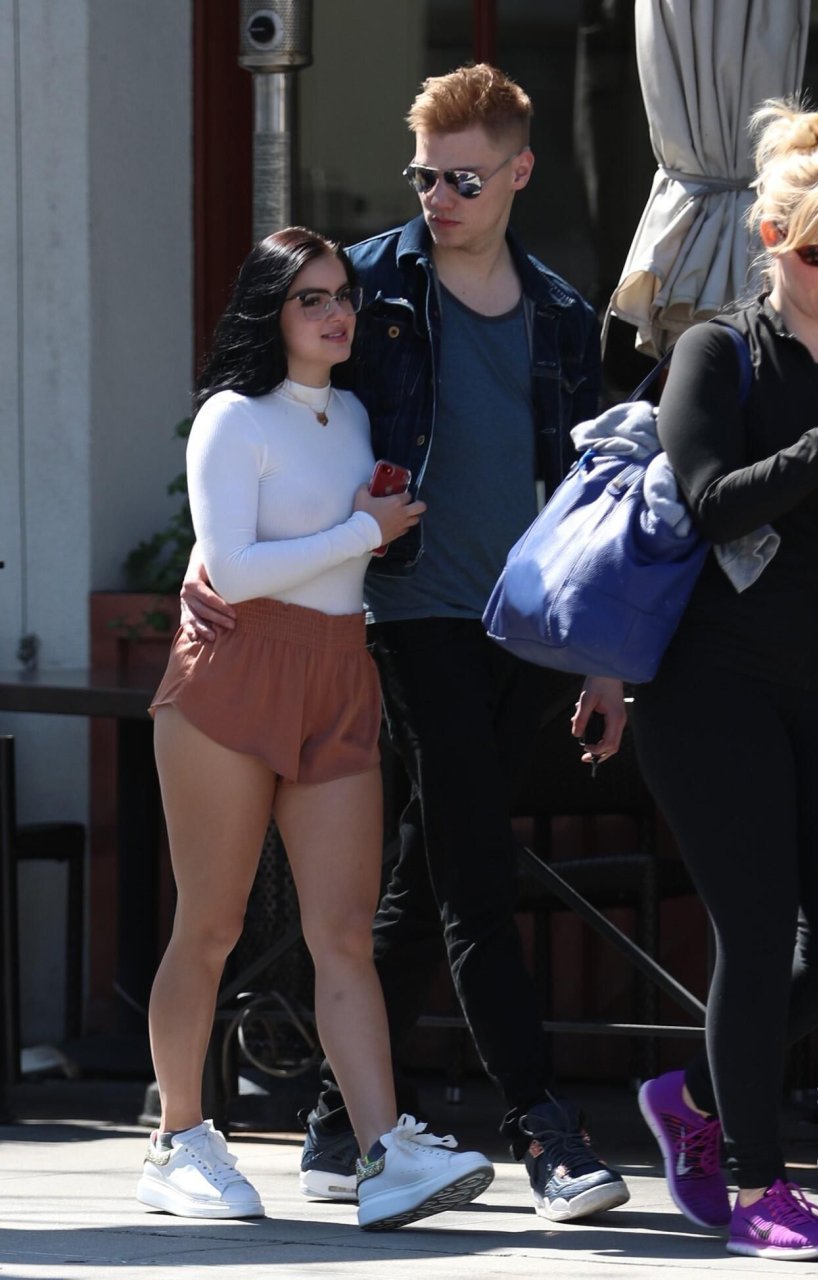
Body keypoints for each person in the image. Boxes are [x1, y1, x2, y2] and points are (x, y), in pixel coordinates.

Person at [182, 64, 629, 1224]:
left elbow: (591, 496)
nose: (439, 197)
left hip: (521, 626)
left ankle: (338, 1124)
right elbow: (260, 403)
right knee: (477, 871)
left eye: (464, 179)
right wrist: (205, 552)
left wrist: (602, 651)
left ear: (520, 172)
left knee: (430, 871)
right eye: (424, 175)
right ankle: (545, 1127)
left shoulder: (563, 315)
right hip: (405, 613)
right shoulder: (369, 285)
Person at [136, 226, 494, 1230]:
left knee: (342, 934)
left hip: (338, 672)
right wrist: (362, 531)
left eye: (343, 296)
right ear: (271, 310)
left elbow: (318, 553)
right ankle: (178, 1138)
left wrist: (364, 523)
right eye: (311, 298)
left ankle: (383, 1151)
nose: (337, 313)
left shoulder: (358, 412)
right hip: (235, 674)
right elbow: (232, 568)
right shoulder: (230, 416)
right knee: (211, 925)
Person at [631, 100, 818, 1262]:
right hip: (712, 688)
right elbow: (713, 502)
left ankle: (695, 1100)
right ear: (771, 238)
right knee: (757, 937)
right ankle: (762, 1185)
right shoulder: (716, 352)